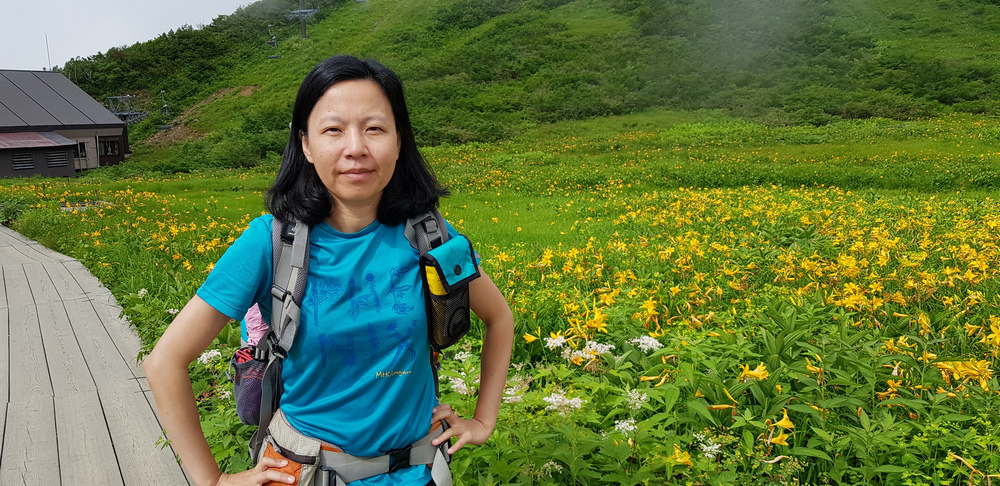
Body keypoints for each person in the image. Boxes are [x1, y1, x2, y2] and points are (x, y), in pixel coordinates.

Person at [144, 54, 515, 486]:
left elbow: (499, 317)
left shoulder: (431, 236)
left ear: (399, 140)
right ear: (305, 143)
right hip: (309, 474)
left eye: (374, 128)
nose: (355, 147)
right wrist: (214, 481)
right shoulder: (269, 243)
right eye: (333, 129)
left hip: (420, 472)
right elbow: (164, 362)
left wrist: (482, 421)